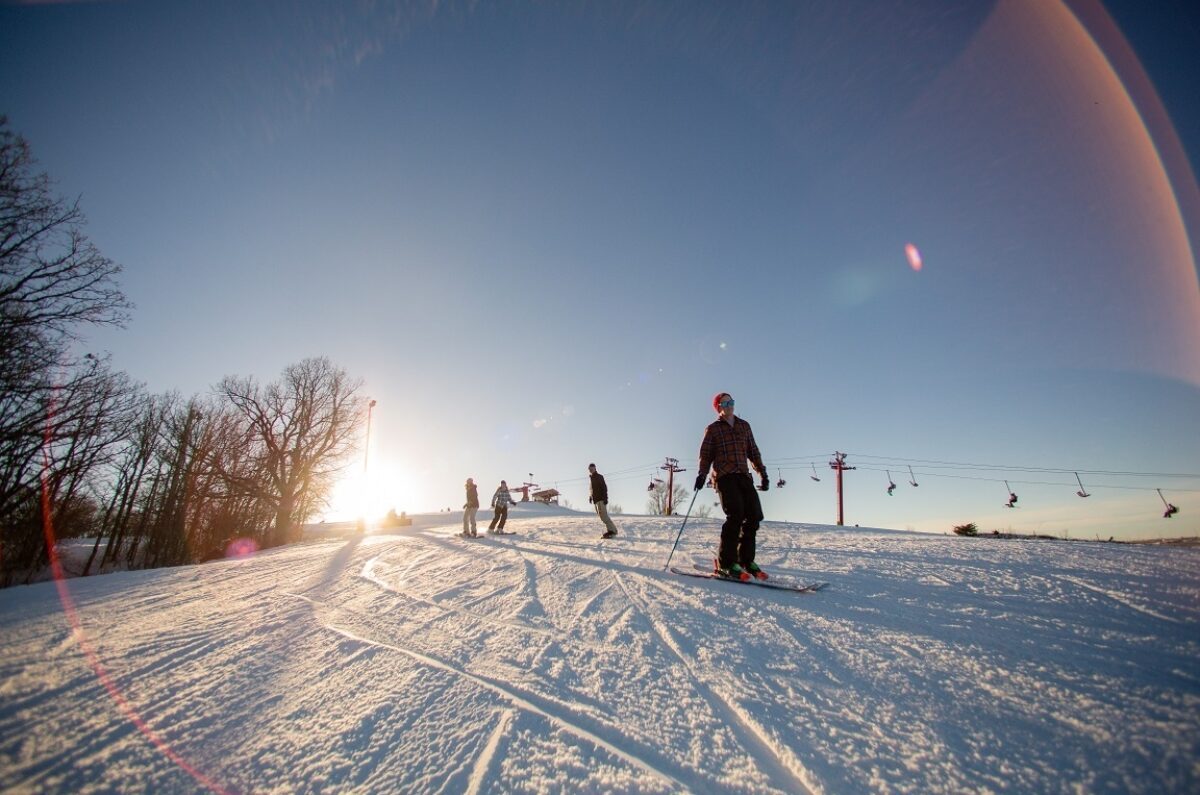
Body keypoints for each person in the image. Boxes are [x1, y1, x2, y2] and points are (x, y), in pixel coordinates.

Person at [694, 392, 769, 581]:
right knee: (736, 514)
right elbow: (706, 454)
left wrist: (763, 473)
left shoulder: (744, 426)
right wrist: (702, 474)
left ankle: (745, 561)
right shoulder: (713, 429)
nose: (729, 406)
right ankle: (726, 563)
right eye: (725, 403)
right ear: (718, 407)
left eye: (731, 402)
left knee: (753, 516)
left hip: (743, 475)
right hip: (724, 477)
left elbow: (753, 451)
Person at [588, 463, 619, 539]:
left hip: (601, 500)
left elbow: (604, 488)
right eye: (589, 469)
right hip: (596, 501)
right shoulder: (591, 478)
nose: (590, 470)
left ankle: (613, 531)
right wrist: (590, 497)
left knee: (604, 516)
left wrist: (605, 499)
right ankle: (610, 530)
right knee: (602, 517)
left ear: (595, 468)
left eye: (592, 468)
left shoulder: (599, 477)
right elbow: (592, 489)